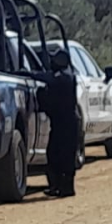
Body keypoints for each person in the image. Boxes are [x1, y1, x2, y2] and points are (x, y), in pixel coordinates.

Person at [36, 49, 79, 197]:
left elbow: (47, 78)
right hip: (62, 123)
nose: (51, 62)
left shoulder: (65, 77)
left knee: (64, 156)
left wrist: (26, 73)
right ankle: (57, 186)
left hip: (67, 124)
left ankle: (65, 187)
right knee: (54, 154)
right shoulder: (64, 76)